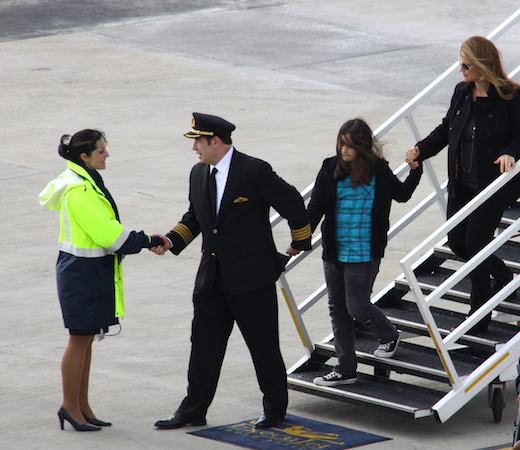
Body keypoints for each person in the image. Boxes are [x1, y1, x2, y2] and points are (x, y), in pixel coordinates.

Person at [152, 112, 311, 430]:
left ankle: (275, 409)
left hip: (251, 280)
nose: (195, 148)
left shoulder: (253, 170)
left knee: (263, 348)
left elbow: (292, 201)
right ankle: (193, 410)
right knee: (203, 348)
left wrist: (298, 242)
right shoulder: (199, 174)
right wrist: (170, 240)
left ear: (216, 141)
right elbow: (195, 217)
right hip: (212, 279)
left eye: (198, 141)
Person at [39, 129, 166, 432]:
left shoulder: (86, 180)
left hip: (89, 270)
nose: (106, 154)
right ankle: (70, 407)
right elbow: (109, 234)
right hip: (81, 273)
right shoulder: (80, 190)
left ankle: (82, 406)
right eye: (101, 150)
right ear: (84, 157)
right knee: (79, 339)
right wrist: (147, 240)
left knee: (86, 340)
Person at [405, 36, 520, 332]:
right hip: (462, 182)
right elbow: (447, 129)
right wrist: (421, 150)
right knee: (458, 243)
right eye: (460, 63)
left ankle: (479, 316)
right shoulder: (462, 92)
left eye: (466, 64)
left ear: (482, 65)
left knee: (476, 245)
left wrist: (510, 152)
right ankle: (504, 277)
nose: (461, 69)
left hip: (492, 186)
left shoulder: (510, 96)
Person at [304, 118, 422, 387]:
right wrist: (301, 239)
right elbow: (316, 207)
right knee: (338, 309)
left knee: (356, 306)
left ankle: (389, 334)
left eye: (350, 146)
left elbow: (401, 194)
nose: (344, 150)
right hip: (335, 252)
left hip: (365, 253)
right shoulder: (330, 167)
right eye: (341, 144)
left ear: (363, 146)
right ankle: (346, 369)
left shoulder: (378, 170)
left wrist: (415, 170)